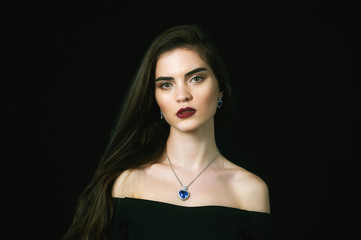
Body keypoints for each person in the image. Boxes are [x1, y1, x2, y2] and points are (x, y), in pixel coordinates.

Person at [63, 24, 277, 240]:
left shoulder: (249, 191)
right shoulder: (128, 183)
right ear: (155, 99)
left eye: (196, 78)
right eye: (166, 84)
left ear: (220, 88)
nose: (182, 95)